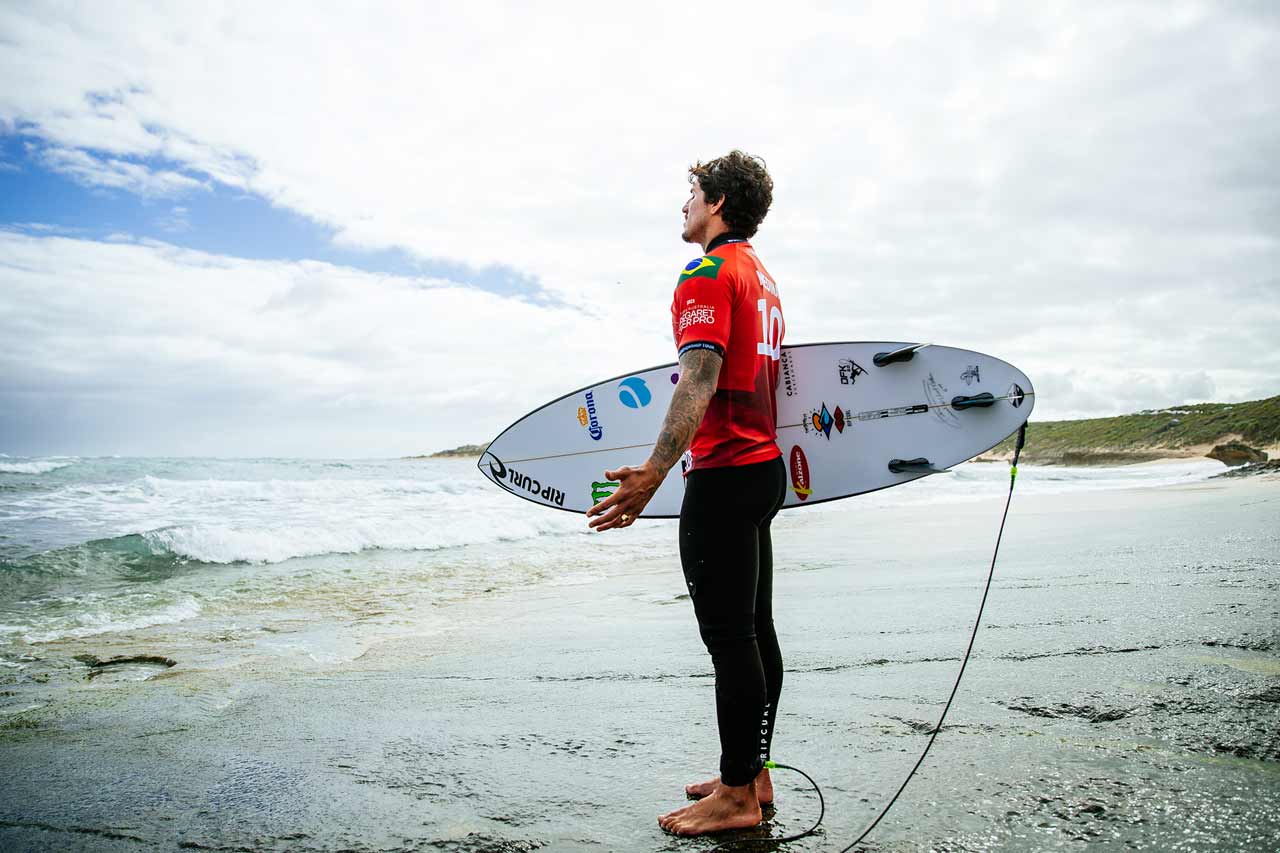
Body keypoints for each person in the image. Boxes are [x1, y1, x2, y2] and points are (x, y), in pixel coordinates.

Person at [586, 150, 787, 836]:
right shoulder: (762, 277)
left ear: (719, 202)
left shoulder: (708, 271)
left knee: (730, 637)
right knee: (754, 630)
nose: (684, 204)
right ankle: (752, 773)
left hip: (726, 473)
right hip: (762, 471)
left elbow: (697, 379)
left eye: (692, 192)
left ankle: (736, 795)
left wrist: (652, 471)